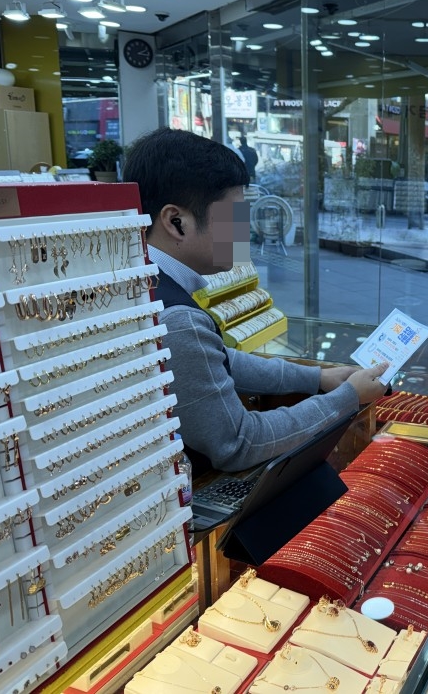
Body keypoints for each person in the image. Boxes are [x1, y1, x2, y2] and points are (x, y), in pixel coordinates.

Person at [123, 127, 388, 475]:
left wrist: (317, 378)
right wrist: (347, 398)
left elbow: (216, 359)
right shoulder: (178, 319)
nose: (243, 231)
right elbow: (239, 443)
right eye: (232, 217)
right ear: (177, 222)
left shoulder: (135, 281)